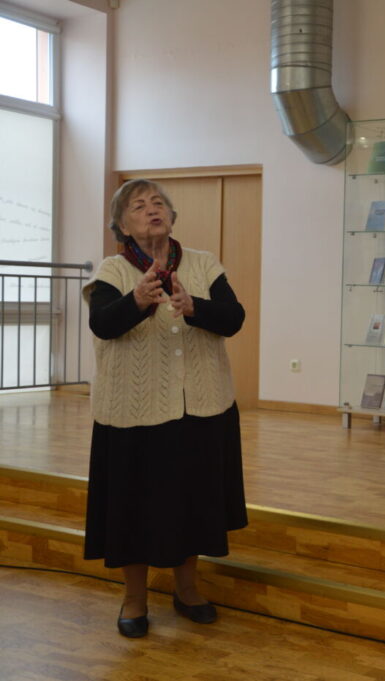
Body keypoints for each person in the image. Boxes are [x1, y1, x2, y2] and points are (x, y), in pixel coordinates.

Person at [83, 179, 248, 637]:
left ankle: (187, 589)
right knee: (132, 507)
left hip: (200, 407)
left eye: (158, 203)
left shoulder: (203, 263)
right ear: (122, 226)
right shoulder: (112, 270)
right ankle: (134, 599)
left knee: (193, 502)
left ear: (172, 217)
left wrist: (195, 306)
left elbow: (233, 318)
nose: (151, 210)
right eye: (138, 206)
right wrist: (137, 299)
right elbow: (102, 324)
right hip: (132, 411)